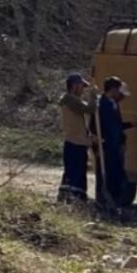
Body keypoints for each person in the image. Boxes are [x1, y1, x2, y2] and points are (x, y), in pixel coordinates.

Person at [57, 73, 97, 203]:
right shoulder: (69, 99)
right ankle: (74, 197)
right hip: (75, 141)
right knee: (76, 170)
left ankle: (70, 196)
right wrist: (93, 96)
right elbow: (89, 109)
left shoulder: (72, 100)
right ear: (74, 86)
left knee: (74, 170)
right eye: (81, 87)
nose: (83, 90)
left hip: (77, 140)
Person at [94, 76, 131, 210]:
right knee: (107, 177)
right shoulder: (102, 105)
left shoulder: (113, 104)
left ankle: (115, 203)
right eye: (119, 90)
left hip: (115, 148)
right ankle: (103, 203)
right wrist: (99, 146)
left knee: (116, 176)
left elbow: (116, 126)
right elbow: (99, 127)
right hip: (106, 148)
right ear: (114, 89)